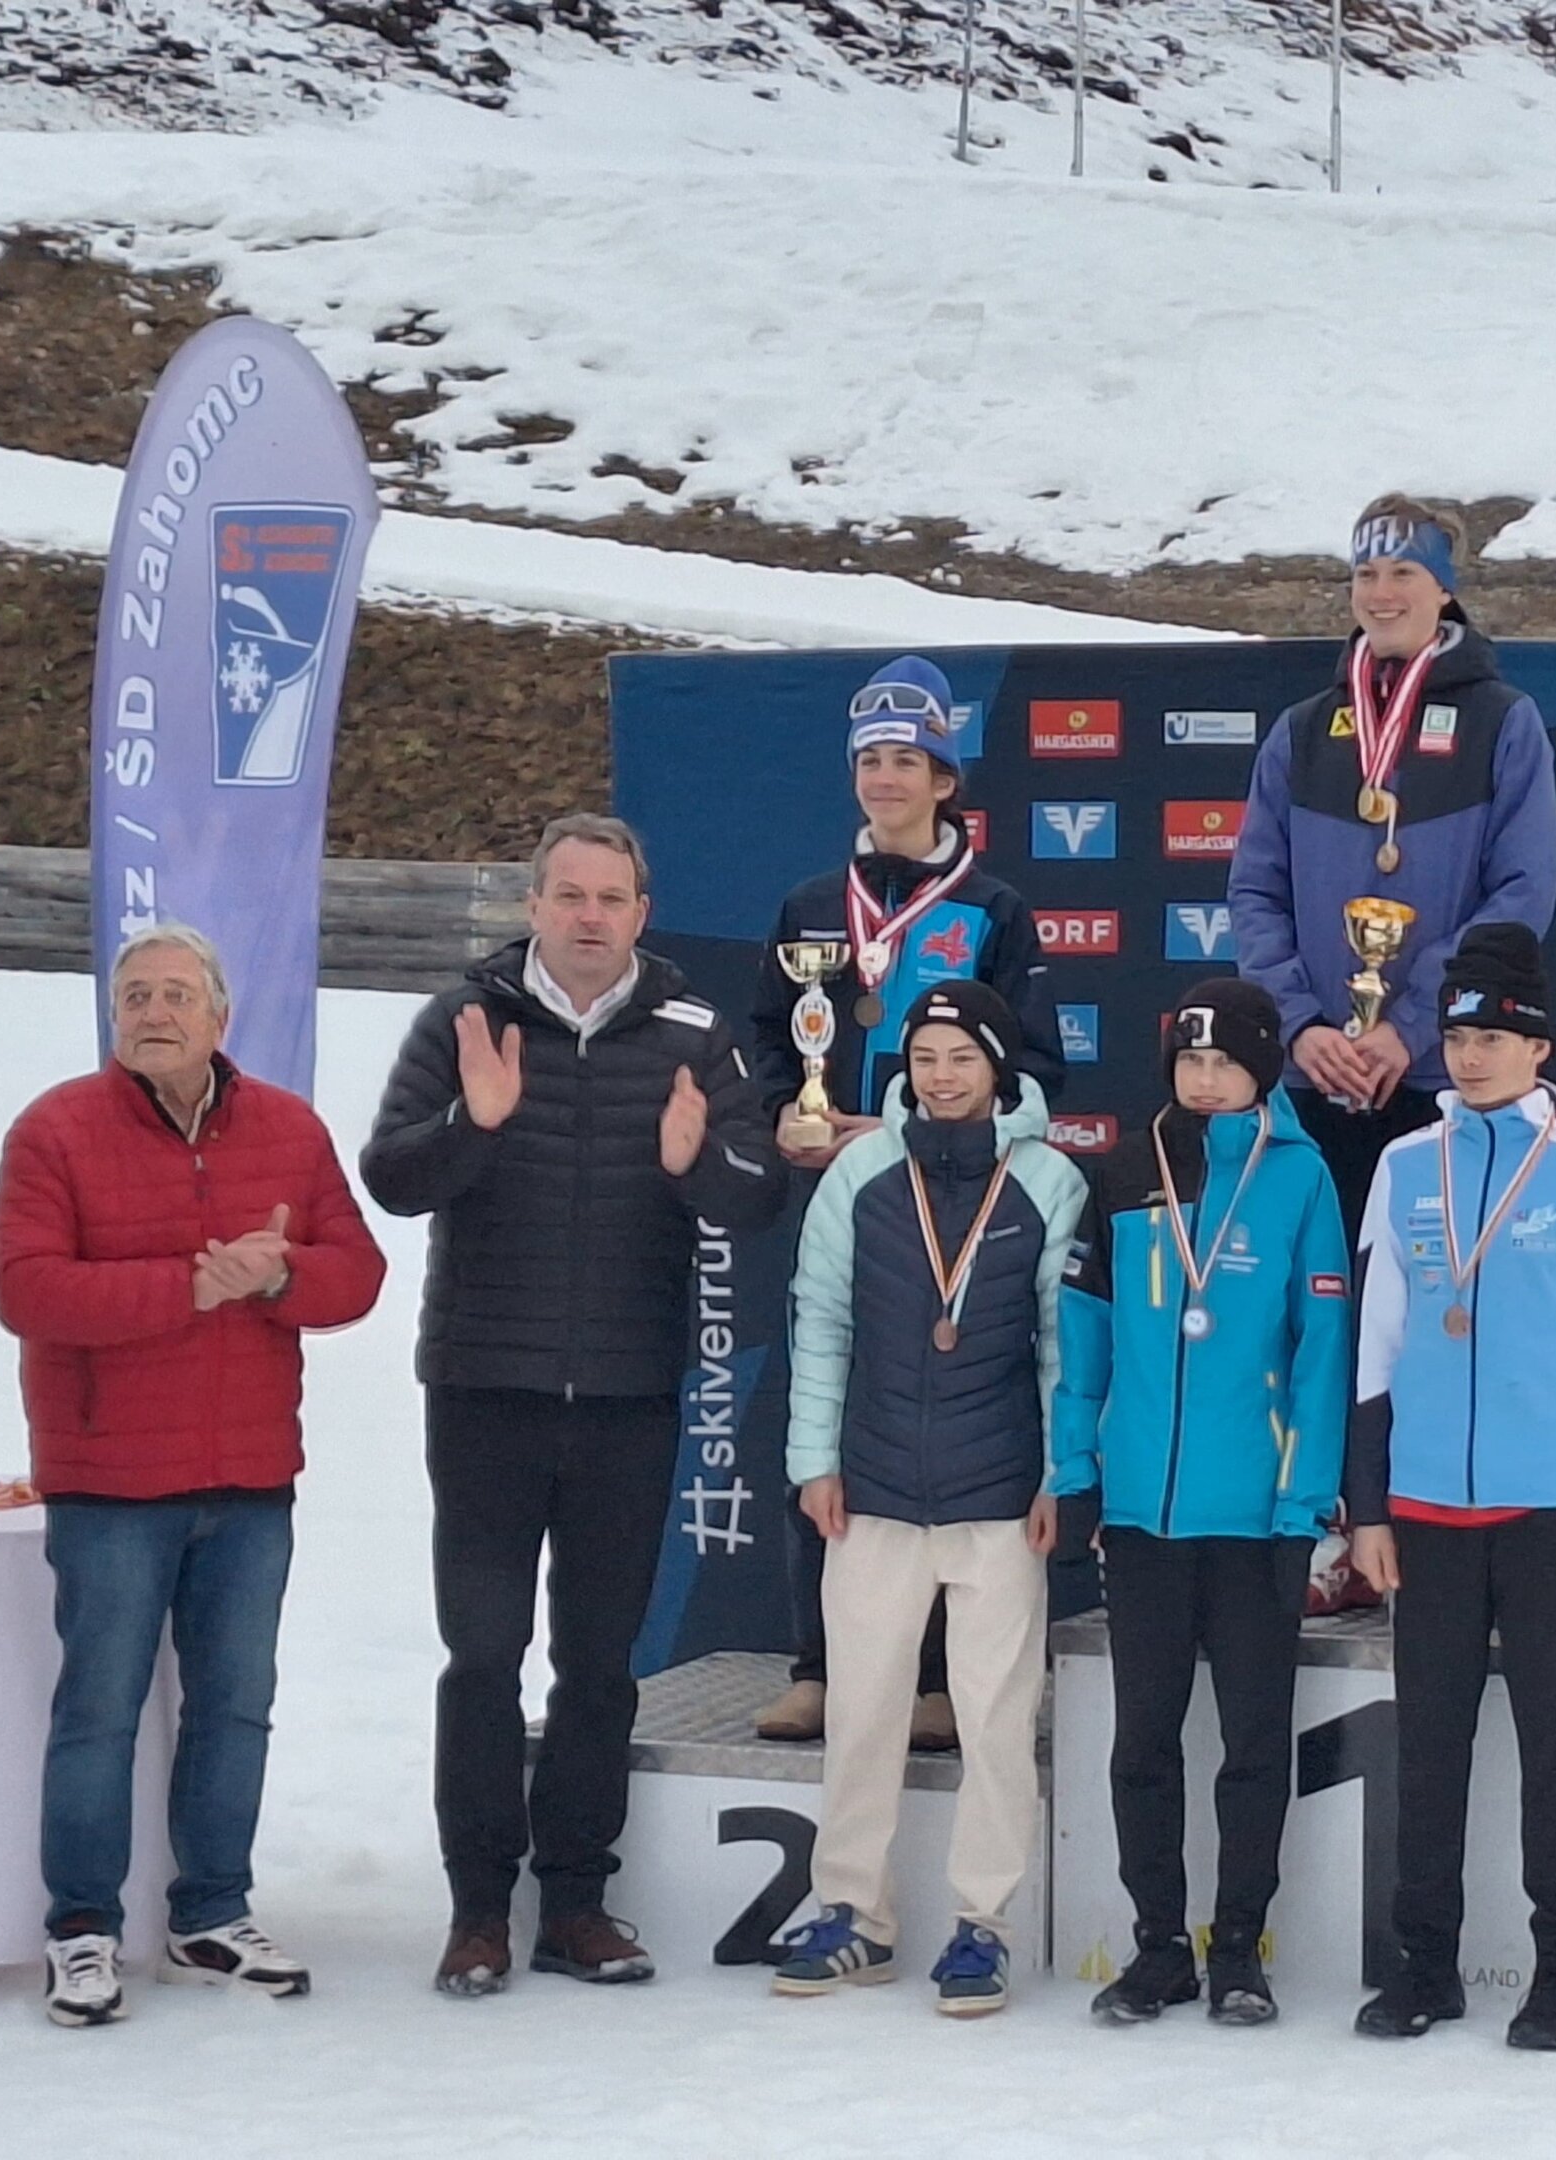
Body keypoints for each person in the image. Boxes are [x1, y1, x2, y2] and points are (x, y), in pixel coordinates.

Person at [360, 813, 785, 1997]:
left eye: (611, 899)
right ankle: (478, 1912)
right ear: (535, 906)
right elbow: (392, 1176)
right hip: (484, 1392)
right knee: (483, 1656)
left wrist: (696, 1163)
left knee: (599, 1665)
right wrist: (475, 1122)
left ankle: (578, 1906)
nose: (590, 917)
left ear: (642, 914)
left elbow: (756, 1196)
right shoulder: (466, 1020)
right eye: (570, 896)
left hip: (627, 1397)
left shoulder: (696, 1033)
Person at [0, 922, 387, 2028]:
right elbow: (26, 1291)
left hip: (249, 1477)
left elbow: (357, 1273)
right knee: (100, 1712)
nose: (153, 1013)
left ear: (220, 1017)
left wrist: (279, 1274)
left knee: (235, 1706)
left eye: (175, 995)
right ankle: (82, 1929)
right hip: (110, 1482)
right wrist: (191, 1289)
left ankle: (212, 1911)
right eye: (135, 996)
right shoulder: (54, 1130)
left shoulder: (290, 1129)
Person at [1343, 923, 1556, 2053]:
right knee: (1427, 1748)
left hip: (1547, 1511)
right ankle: (1424, 1963)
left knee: (1551, 1747)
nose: (1469, 1058)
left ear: (1539, 1048)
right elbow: (1374, 1349)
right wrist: (1366, 1507)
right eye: (1456, 1037)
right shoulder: (1402, 1166)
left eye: (1492, 1039)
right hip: (1426, 1509)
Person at [749, 654, 1063, 1749]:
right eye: (869, 760)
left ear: (945, 779)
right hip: (835, 1194)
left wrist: (905, 1126)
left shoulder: (993, 909)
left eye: (905, 760)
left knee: (939, 1421)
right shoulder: (808, 906)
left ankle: (934, 1677)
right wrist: (786, 1113)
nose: (884, 778)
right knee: (826, 1403)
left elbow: (1038, 1070)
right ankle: (819, 1666)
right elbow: (767, 1039)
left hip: (956, 1203)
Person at [767, 983, 1085, 2018]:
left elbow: (1062, 1346)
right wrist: (814, 1461)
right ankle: (853, 1913)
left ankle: (982, 1925)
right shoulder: (860, 1172)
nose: (942, 1077)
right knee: (861, 1712)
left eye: (962, 1057)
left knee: (996, 1720)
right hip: (874, 1492)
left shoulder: (1047, 1180)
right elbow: (820, 1321)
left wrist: (1057, 1476)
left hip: (999, 1498)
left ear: (998, 1067)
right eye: (926, 1058)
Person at [1050, 978, 1351, 2027]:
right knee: (1143, 1743)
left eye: (1226, 1063)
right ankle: (1158, 1946)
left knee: (1254, 1746)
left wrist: (1304, 1504)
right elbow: (1082, 1341)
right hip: (1142, 1516)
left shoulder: (1301, 1177)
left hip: (1255, 1518)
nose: (1207, 1079)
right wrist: (1076, 1474)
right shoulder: (1124, 1171)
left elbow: (1321, 1351)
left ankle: (1237, 1951)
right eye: (1191, 1061)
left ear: (1262, 1070)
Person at [1227, 495, 1556, 1239]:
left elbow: (1522, 892)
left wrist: (1411, 1026)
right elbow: (1254, 890)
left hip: (1444, 1073)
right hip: (1313, 1073)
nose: (1381, 593)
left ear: (1445, 588)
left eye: (1404, 572)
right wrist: (1300, 1026)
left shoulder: (1503, 722)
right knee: (1316, 1293)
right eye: (1366, 574)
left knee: (1438, 1286)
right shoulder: (1304, 729)